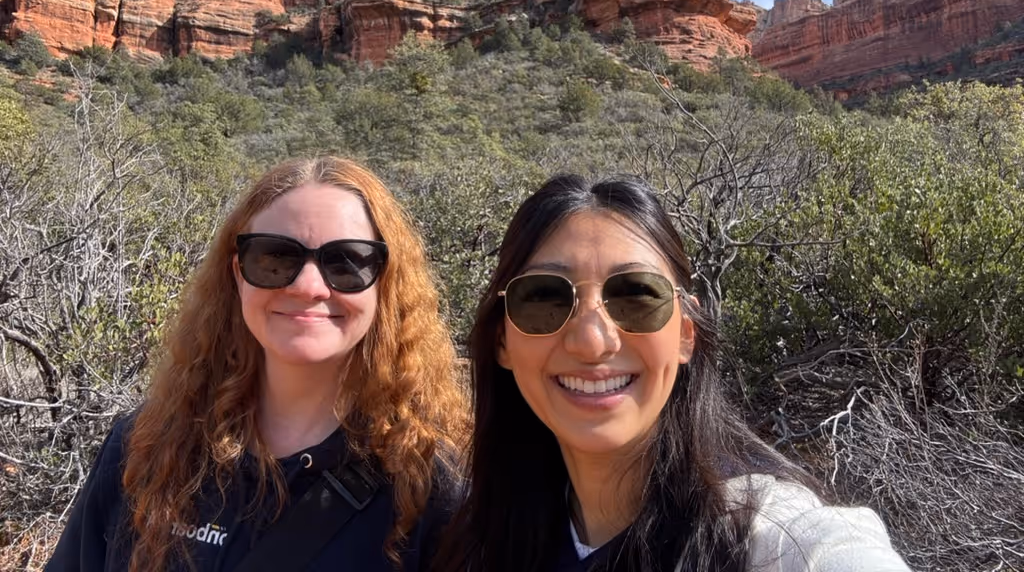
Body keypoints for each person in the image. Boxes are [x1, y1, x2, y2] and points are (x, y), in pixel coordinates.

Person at [436, 174, 910, 572]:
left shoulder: (767, 538)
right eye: (543, 297)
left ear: (686, 333)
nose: (592, 341)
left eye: (637, 295)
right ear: (502, 340)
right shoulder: (480, 539)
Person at [47, 156, 467, 572]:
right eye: (275, 257)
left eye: (345, 262)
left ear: (385, 284)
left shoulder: (430, 486)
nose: (307, 286)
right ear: (237, 274)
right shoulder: (143, 448)